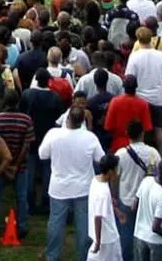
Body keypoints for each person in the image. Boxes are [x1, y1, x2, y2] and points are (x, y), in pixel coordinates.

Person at [39, 104, 103, 261]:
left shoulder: (54, 134)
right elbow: (101, 159)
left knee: (56, 223)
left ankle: (52, 256)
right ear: (83, 121)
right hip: (84, 188)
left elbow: (42, 154)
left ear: (67, 118)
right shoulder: (90, 138)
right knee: (83, 226)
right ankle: (84, 256)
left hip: (59, 188)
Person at [88, 153, 125, 261]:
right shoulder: (102, 193)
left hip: (103, 236)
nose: (117, 172)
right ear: (110, 172)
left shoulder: (96, 180)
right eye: (116, 169)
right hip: (107, 239)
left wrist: (116, 210)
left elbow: (102, 205)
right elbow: (98, 217)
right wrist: (98, 242)